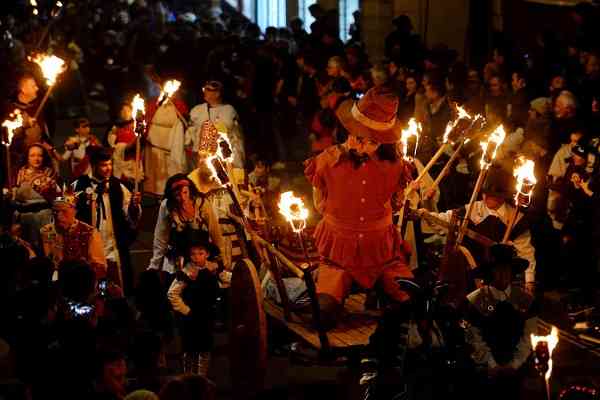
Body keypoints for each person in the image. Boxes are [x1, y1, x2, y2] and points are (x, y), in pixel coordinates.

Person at [304, 86, 414, 331]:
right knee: (322, 317)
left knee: (412, 306)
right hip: (339, 257)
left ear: (383, 142)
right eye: (358, 136)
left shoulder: (397, 167)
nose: (361, 146)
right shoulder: (326, 162)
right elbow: (318, 203)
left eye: (370, 141)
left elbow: (397, 203)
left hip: (382, 255)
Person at [420, 166, 537, 296]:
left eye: (492, 195)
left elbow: (526, 253)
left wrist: (529, 282)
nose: (486, 197)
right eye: (485, 192)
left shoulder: (516, 219)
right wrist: (426, 213)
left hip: (497, 280)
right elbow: (444, 221)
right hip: (467, 274)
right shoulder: (471, 210)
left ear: (503, 197)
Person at [465, 244, 538, 400]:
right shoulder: (477, 299)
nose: (503, 273)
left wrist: (515, 364)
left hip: (518, 369)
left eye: (507, 269)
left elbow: (529, 335)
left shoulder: (525, 299)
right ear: (491, 272)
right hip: (486, 371)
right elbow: (474, 336)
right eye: (498, 269)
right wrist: (492, 364)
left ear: (512, 271)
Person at [73, 146, 142, 293]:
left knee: (117, 285)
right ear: (94, 165)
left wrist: (133, 207)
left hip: (113, 245)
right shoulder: (79, 186)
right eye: (104, 165)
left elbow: (130, 216)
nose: (108, 168)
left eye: (110, 164)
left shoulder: (118, 187)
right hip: (90, 246)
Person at [147, 174, 224, 277]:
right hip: (178, 259)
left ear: (190, 190)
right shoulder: (167, 206)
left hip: (199, 257)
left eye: (185, 193)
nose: (183, 198)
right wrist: (154, 265)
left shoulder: (202, 203)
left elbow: (215, 232)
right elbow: (161, 237)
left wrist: (221, 258)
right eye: (178, 195)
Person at [167, 228, 220, 376]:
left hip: (207, 315)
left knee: (205, 348)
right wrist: (186, 310)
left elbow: (224, 280)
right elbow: (172, 294)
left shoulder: (212, 269)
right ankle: (188, 376)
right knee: (190, 348)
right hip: (191, 317)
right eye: (193, 254)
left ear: (207, 254)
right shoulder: (186, 273)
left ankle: (201, 377)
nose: (196, 257)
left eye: (201, 253)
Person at [40, 187, 106, 280]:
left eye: (64, 211)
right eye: (55, 212)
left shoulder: (89, 233)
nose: (58, 216)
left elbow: (100, 267)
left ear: (74, 211)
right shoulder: (46, 232)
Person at [12, 143, 60, 251]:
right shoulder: (18, 174)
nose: (36, 159)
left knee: (48, 251)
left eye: (40, 155)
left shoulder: (50, 174)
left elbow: (57, 198)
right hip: (24, 220)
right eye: (32, 155)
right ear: (27, 157)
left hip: (45, 218)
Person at [185, 81, 244, 169]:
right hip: (202, 156)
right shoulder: (197, 110)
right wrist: (189, 144)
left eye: (208, 90)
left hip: (223, 156)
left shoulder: (229, 111)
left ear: (217, 93)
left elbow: (236, 137)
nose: (205, 91)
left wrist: (238, 161)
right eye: (204, 89)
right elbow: (191, 132)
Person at [144, 84, 188, 196]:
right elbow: (146, 122)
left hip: (171, 149)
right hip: (154, 148)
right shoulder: (154, 105)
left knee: (171, 178)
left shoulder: (178, 105)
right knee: (156, 181)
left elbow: (185, 124)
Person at [107, 103, 143, 187]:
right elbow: (111, 145)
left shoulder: (136, 127)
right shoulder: (115, 128)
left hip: (134, 164)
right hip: (120, 164)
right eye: (123, 110)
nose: (125, 112)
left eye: (128, 110)